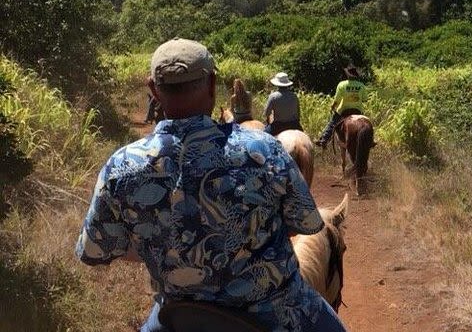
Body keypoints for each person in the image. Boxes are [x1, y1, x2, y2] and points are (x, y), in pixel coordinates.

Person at [75, 38, 345, 332]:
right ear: (213, 84)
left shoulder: (120, 166)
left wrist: (162, 245)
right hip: (277, 313)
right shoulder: (265, 149)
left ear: (152, 89)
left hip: (179, 315)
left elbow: (93, 251)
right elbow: (307, 225)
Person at [315, 65, 368, 148]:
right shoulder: (361, 85)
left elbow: (337, 100)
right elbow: (365, 99)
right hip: (357, 110)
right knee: (366, 124)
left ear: (347, 75)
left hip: (344, 110)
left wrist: (332, 106)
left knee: (332, 123)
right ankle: (370, 140)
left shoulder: (342, 84)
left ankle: (324, 140)